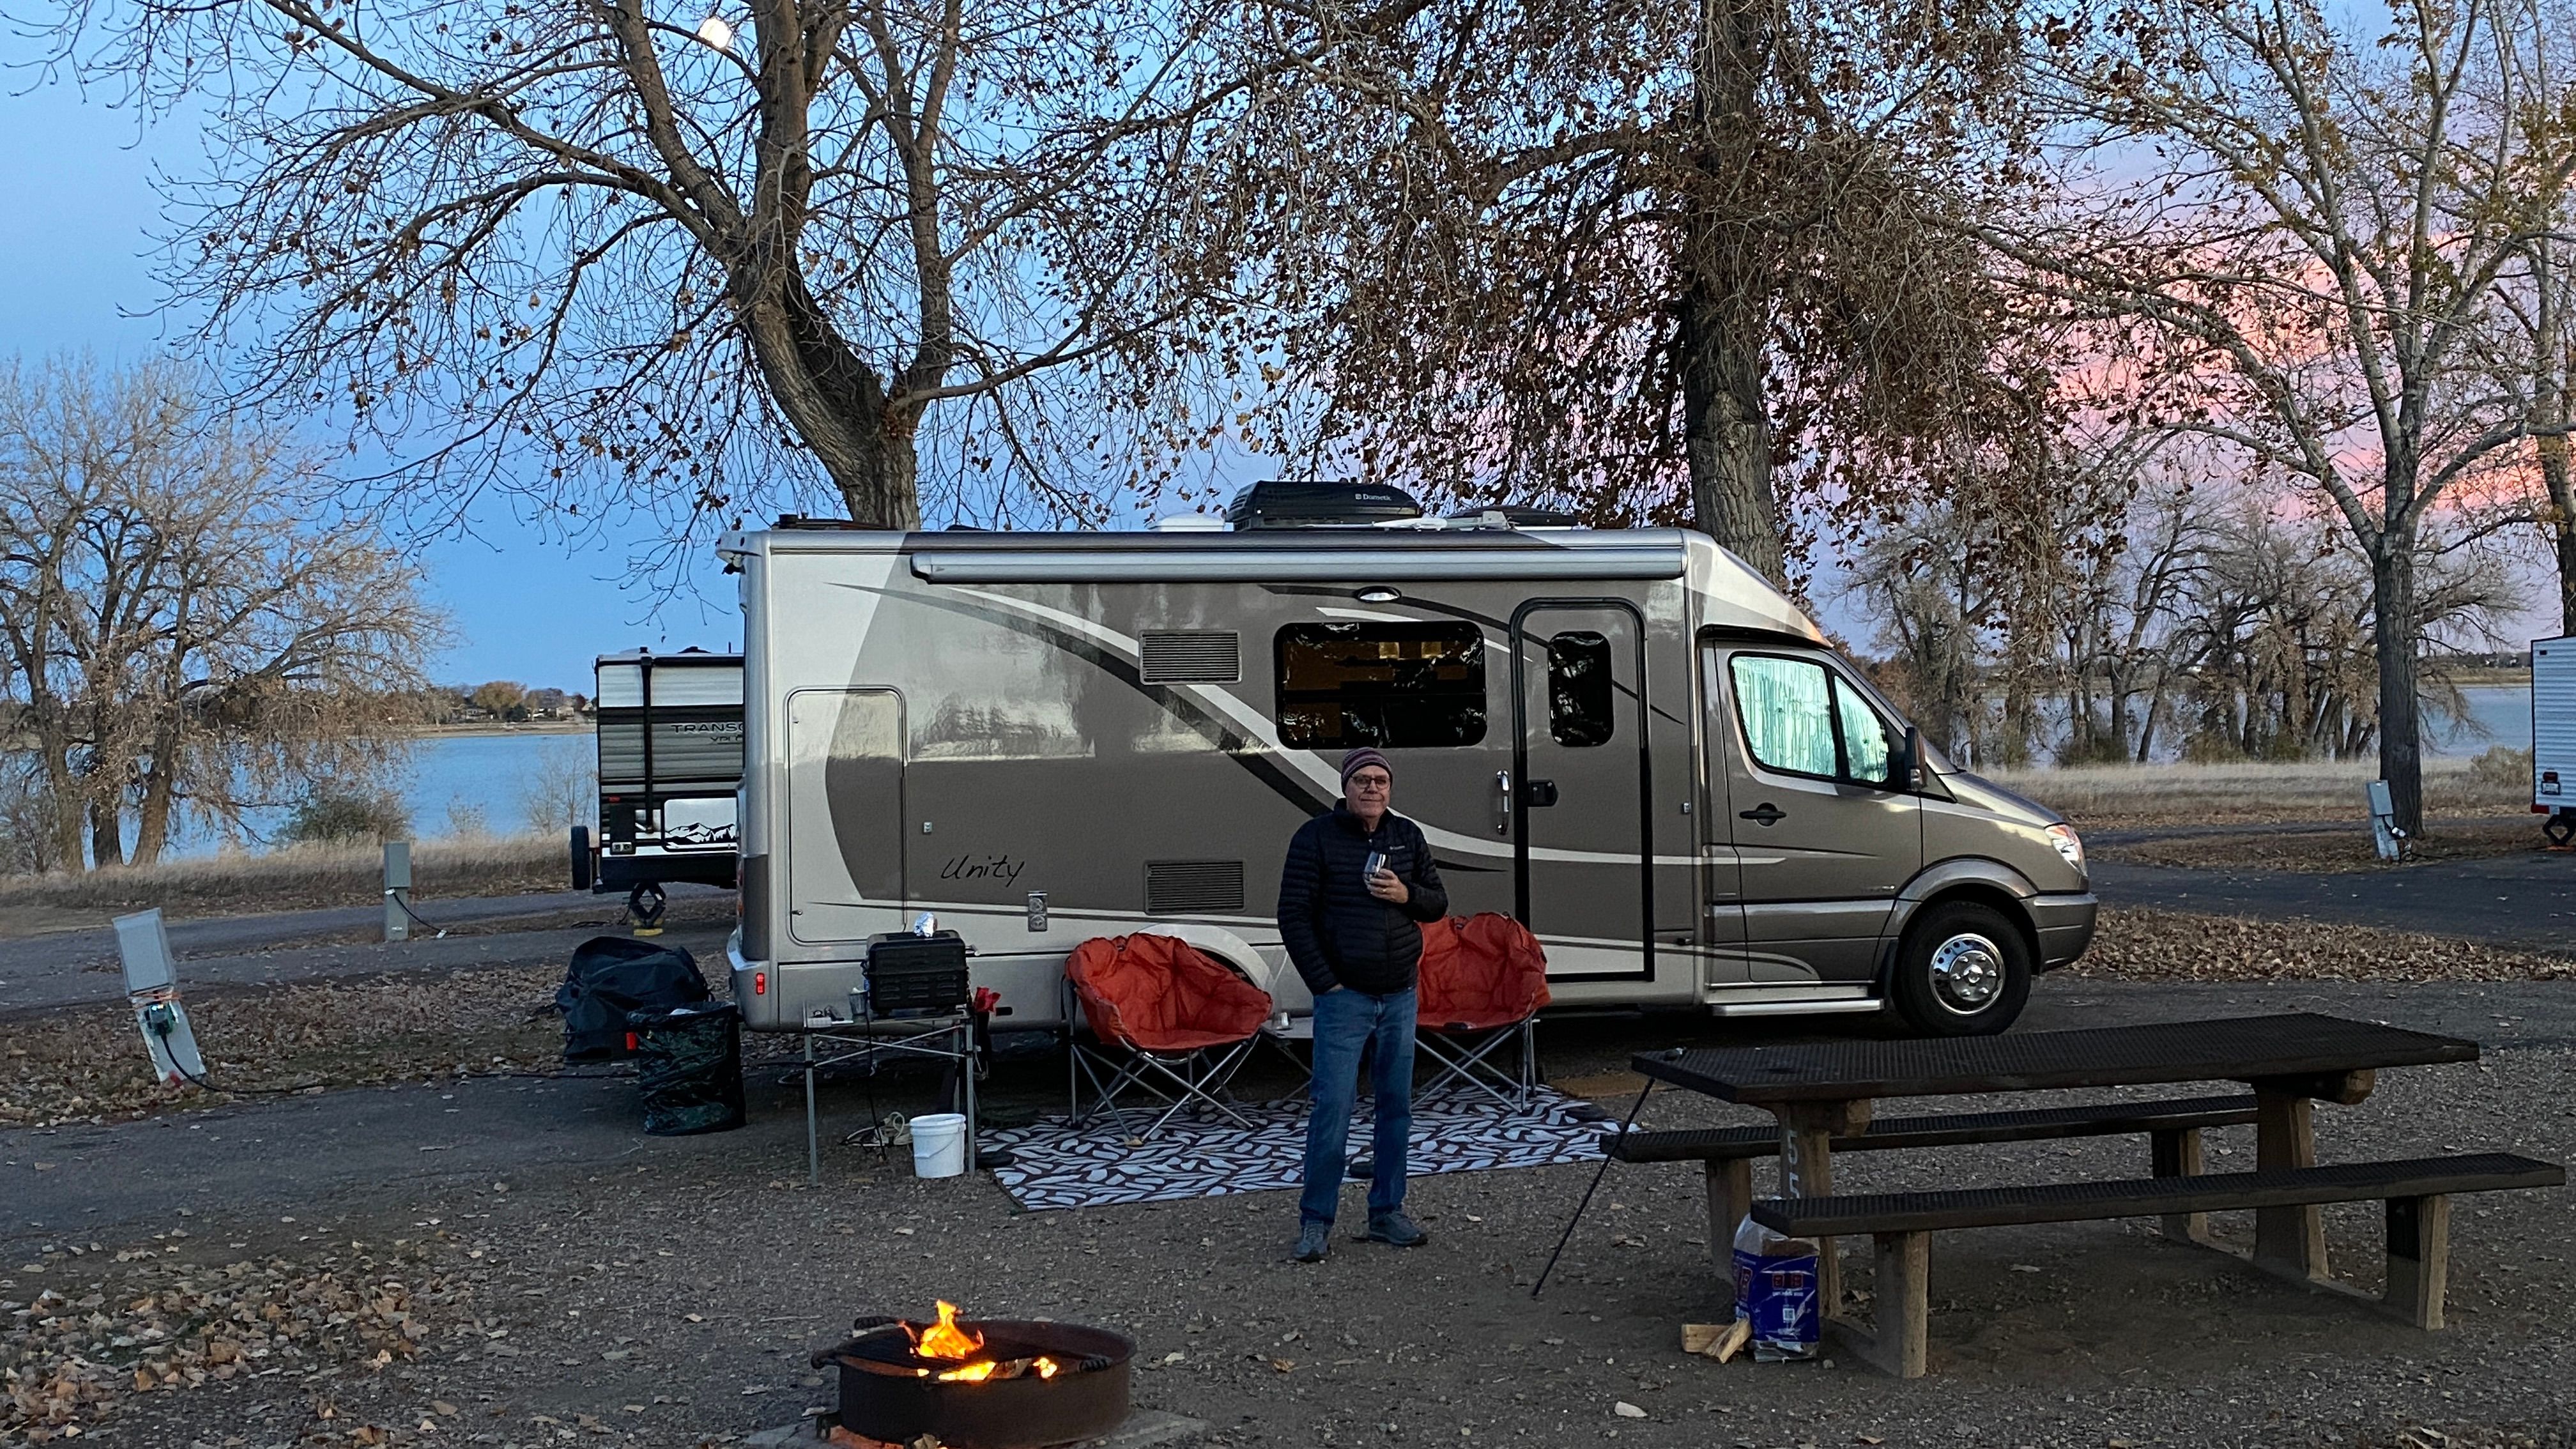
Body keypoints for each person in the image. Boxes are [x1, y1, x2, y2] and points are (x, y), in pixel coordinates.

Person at [1276, 746, 1449, 1262]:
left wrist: (1405, 895)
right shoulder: (1316, 838)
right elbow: (1293, 915)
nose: (1372, 789)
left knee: (1396, 1107)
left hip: (1399, 994)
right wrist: (1325, 983)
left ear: (1390, 789)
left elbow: (1437, 903)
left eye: (1381, 781)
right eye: (1362, 781)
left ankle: (1387, 1212)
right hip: (1344, 998)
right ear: (1346, 788)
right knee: (1333, 1109)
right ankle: (1316, 1222)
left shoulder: (1407, 837)